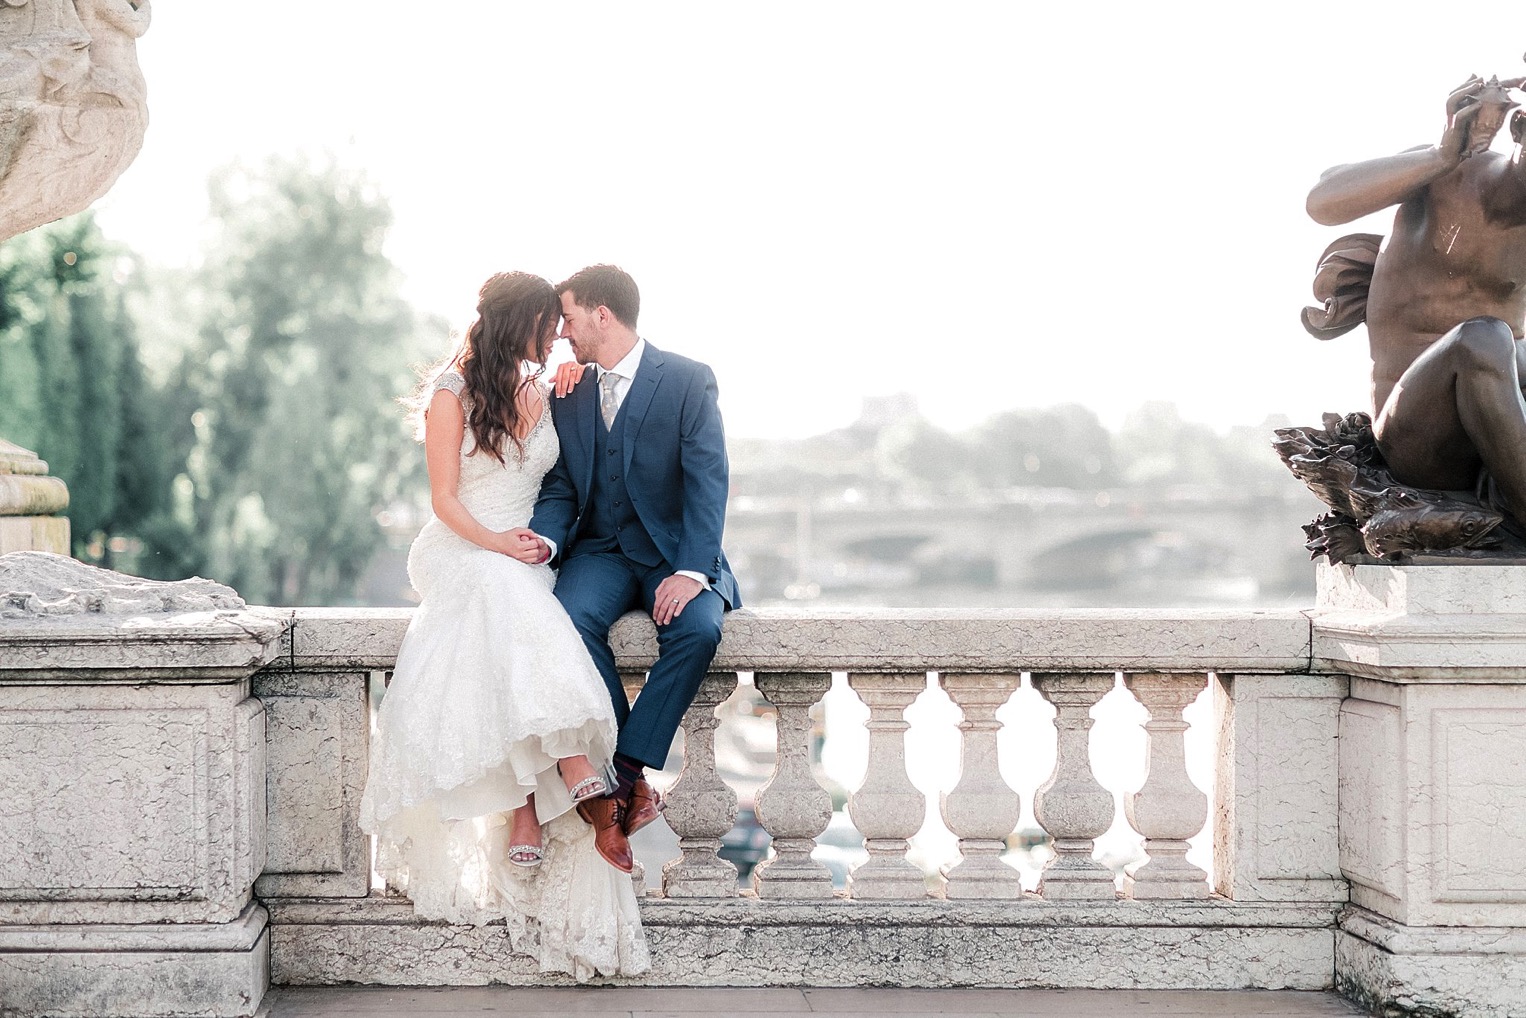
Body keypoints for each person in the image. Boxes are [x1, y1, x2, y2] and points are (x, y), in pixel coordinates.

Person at [357, 271, 649, 980]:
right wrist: (496, 545)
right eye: (549, 324)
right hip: (466, 548)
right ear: (518, 322)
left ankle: (527, 811)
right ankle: (576, 771)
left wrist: (523, 545)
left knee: (511, 631)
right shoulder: (450, 393)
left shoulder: (551, 387)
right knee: (501, 590)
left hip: (523, 558)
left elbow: (563, 483)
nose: (557, 336)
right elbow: (445, 500)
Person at [528, 264, 740, 873]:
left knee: (698, 630)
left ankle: (624, 770)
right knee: (566, 619)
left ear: (603, 314)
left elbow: (709, 479)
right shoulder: (568, 392)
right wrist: (545, 539)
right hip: (600, 550)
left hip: (674, 553)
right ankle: (630, 783)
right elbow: (563, 484)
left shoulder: (686, 379)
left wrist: (693, 570)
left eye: (567, 318)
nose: (561, 332)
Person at [1306, 74, 1526, 519]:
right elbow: (1322, 202)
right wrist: (1440, 156)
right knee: (1480, 339)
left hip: (1505, 430)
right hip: (1419, 438)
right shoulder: (1452, 174)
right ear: (1520, 131)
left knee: (1498, 343)